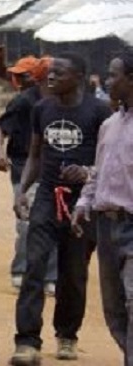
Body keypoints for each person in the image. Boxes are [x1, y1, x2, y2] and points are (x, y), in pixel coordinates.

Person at [9, 52, 112, 365]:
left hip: (83, 204)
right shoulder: (42, 108)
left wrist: (87, 172)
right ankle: (27, 342)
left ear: (78, 77)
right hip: (47, 199)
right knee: (34, 266)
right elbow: (36, 155)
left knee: (73, 272)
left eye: (59, 73)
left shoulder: (99, 111)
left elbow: (110, 159)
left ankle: (67, 335)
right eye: (50, 73)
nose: (50, 78)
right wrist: (22, 190)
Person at [72, 52, 133, 366]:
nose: (107, 81)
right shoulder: (109, 125)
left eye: (113, 75)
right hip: (106, 226)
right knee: (114, 309)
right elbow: (99, 171)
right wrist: (84, 202)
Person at [0, 56, 58, 293]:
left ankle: (51, 276)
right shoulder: (23, 102)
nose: (16, 80)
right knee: (27, 222)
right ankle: (21, 270)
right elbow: (0, 129)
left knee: (54, 222)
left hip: (54, 171)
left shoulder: (65, 102)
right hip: (24, 169)